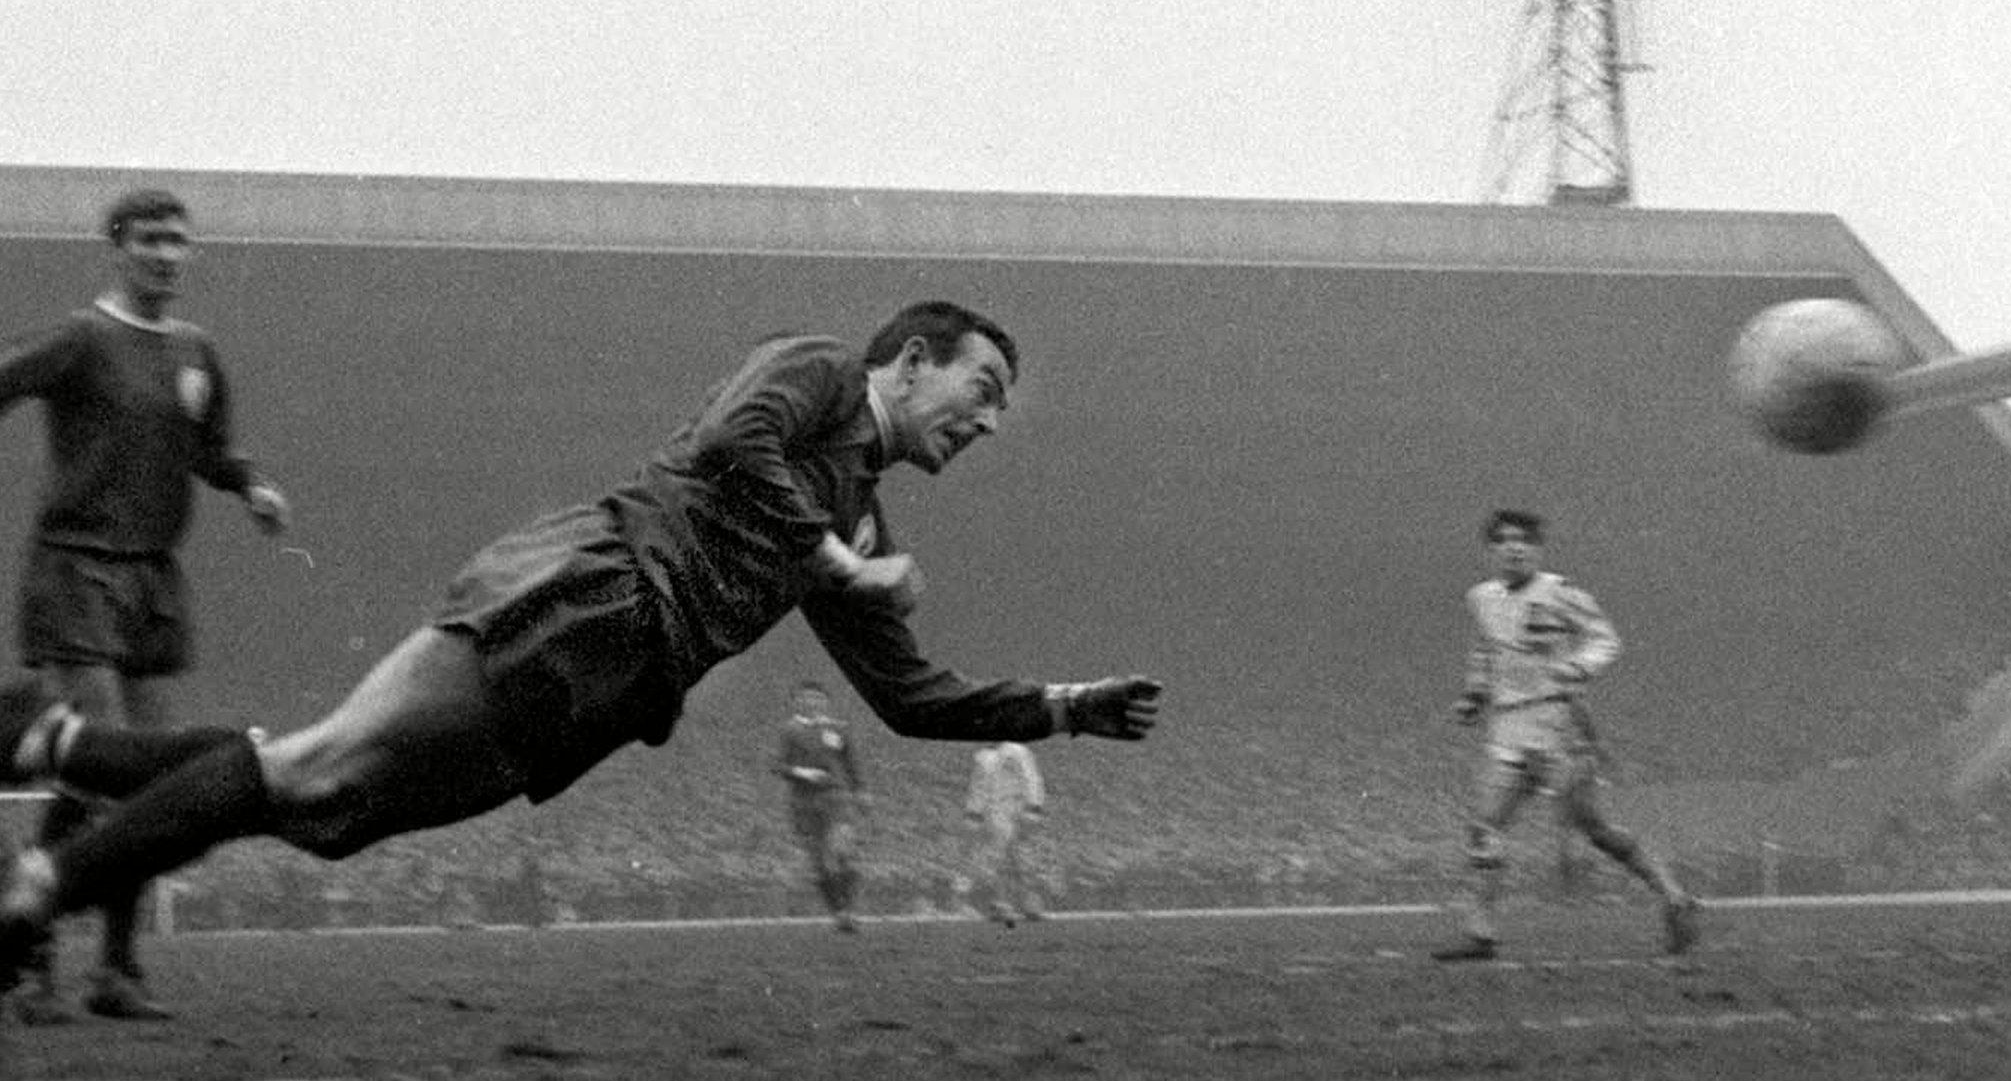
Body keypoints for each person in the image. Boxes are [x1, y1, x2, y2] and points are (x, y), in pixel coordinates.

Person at [0, 300, 1162, 999]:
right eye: (984, 385)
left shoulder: (863, 519)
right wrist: (836, 559)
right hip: (582, 593)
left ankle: (55, 741)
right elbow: (726, 440)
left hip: (617, 691)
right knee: (312, 770)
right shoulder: (815, 372)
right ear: (910, 360)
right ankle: (41, 888)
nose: (991, 419)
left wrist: (1063, 706)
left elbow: (911, 698)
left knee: (321, 807)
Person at [0, 189, 290, 1022]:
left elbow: (211, 450)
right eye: (151, 240)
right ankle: (33, 960)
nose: (167, 255)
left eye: (179, 242)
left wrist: (252, 485)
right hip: (76, 571)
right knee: (100, 764)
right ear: (117, 247)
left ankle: (118, 972)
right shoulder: (81, 339)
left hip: (153, 584)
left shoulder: (196, 352)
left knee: (152, 781)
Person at [1432, 509, 1698, 961]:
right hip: (1508, 730)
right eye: (1504, 540)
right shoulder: (1481, 598)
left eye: (1524, 541)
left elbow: (1606, 640)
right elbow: (1486, 648)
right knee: (1483, 828)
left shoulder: (1560, 593)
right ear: (1491, 550)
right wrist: (1475, 693)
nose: (1514, 548)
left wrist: (1574, 667)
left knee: (1595, 830)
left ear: (1537, 550)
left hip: (1560, 729)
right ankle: (1481, 933)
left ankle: (1675, 898)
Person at [775, 680, 868, 932]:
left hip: (836, 797)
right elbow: (779, 766)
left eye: (816, 698)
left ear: (825, 702)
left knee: (842, 851)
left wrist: (860, 792)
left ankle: (850, 909)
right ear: (797, 702)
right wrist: (804, 773)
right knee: (820, 862)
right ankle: (838, 913)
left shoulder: (838, 730)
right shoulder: (790, 730)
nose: (811, 702)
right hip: (804, 801)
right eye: (806, 698)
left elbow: (851, 763)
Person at [964, 740, 1047, 926]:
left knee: (1023, 857)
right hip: (995, 811)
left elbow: (1031, 778)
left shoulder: (1018, 751)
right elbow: (978, 786)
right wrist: (974, 811)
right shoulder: (982, 757)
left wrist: (1034, 805)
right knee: (997, 858)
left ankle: (1031, 902)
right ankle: (1001, 903)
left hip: (1018, 808)